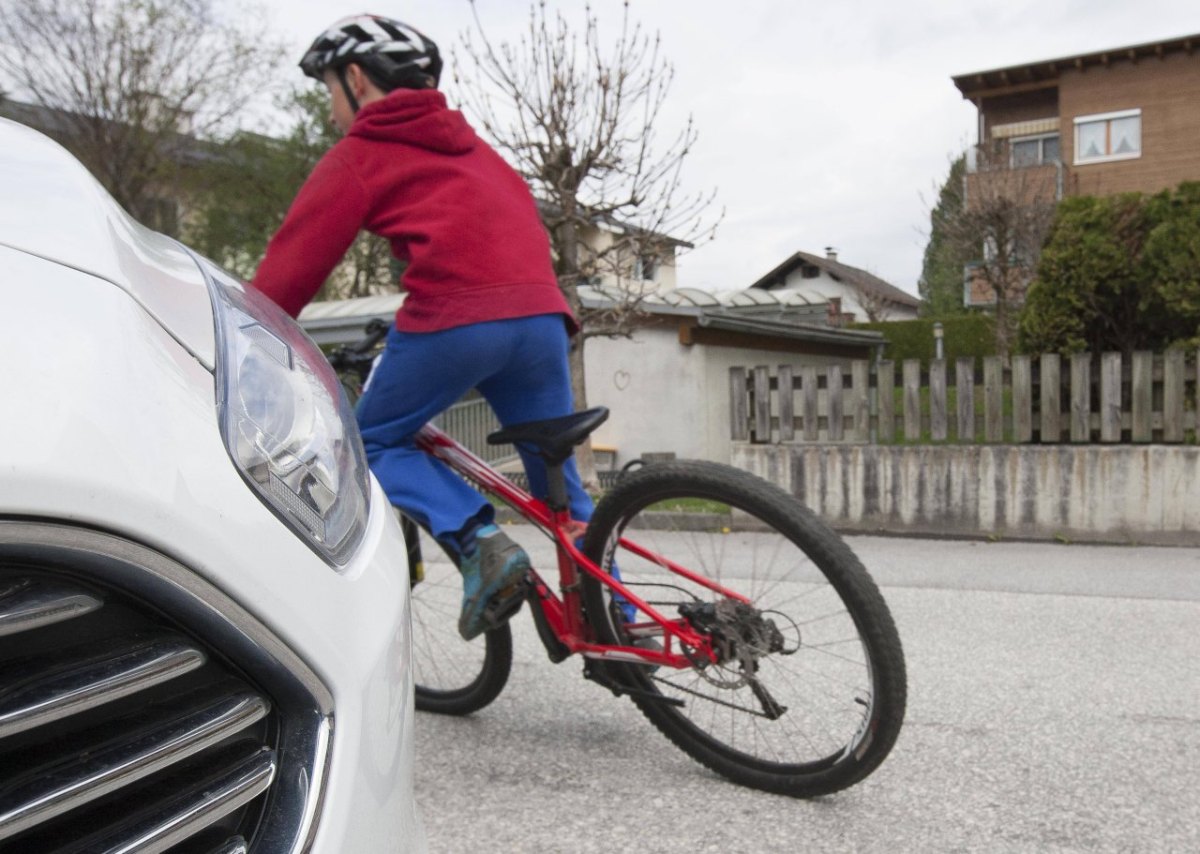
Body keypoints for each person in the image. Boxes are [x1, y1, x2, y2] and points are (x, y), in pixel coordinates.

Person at [251, 14, 594, 641]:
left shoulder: (362, 153)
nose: (332, 111)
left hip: (457, 320)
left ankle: (478, 540)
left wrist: (230, 337)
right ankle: (615, 621)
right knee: (561, 493)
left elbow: (281, 286)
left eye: (330, 90)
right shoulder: (478, 149)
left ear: (356, 78)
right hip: (544, 320)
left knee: (370, 444)